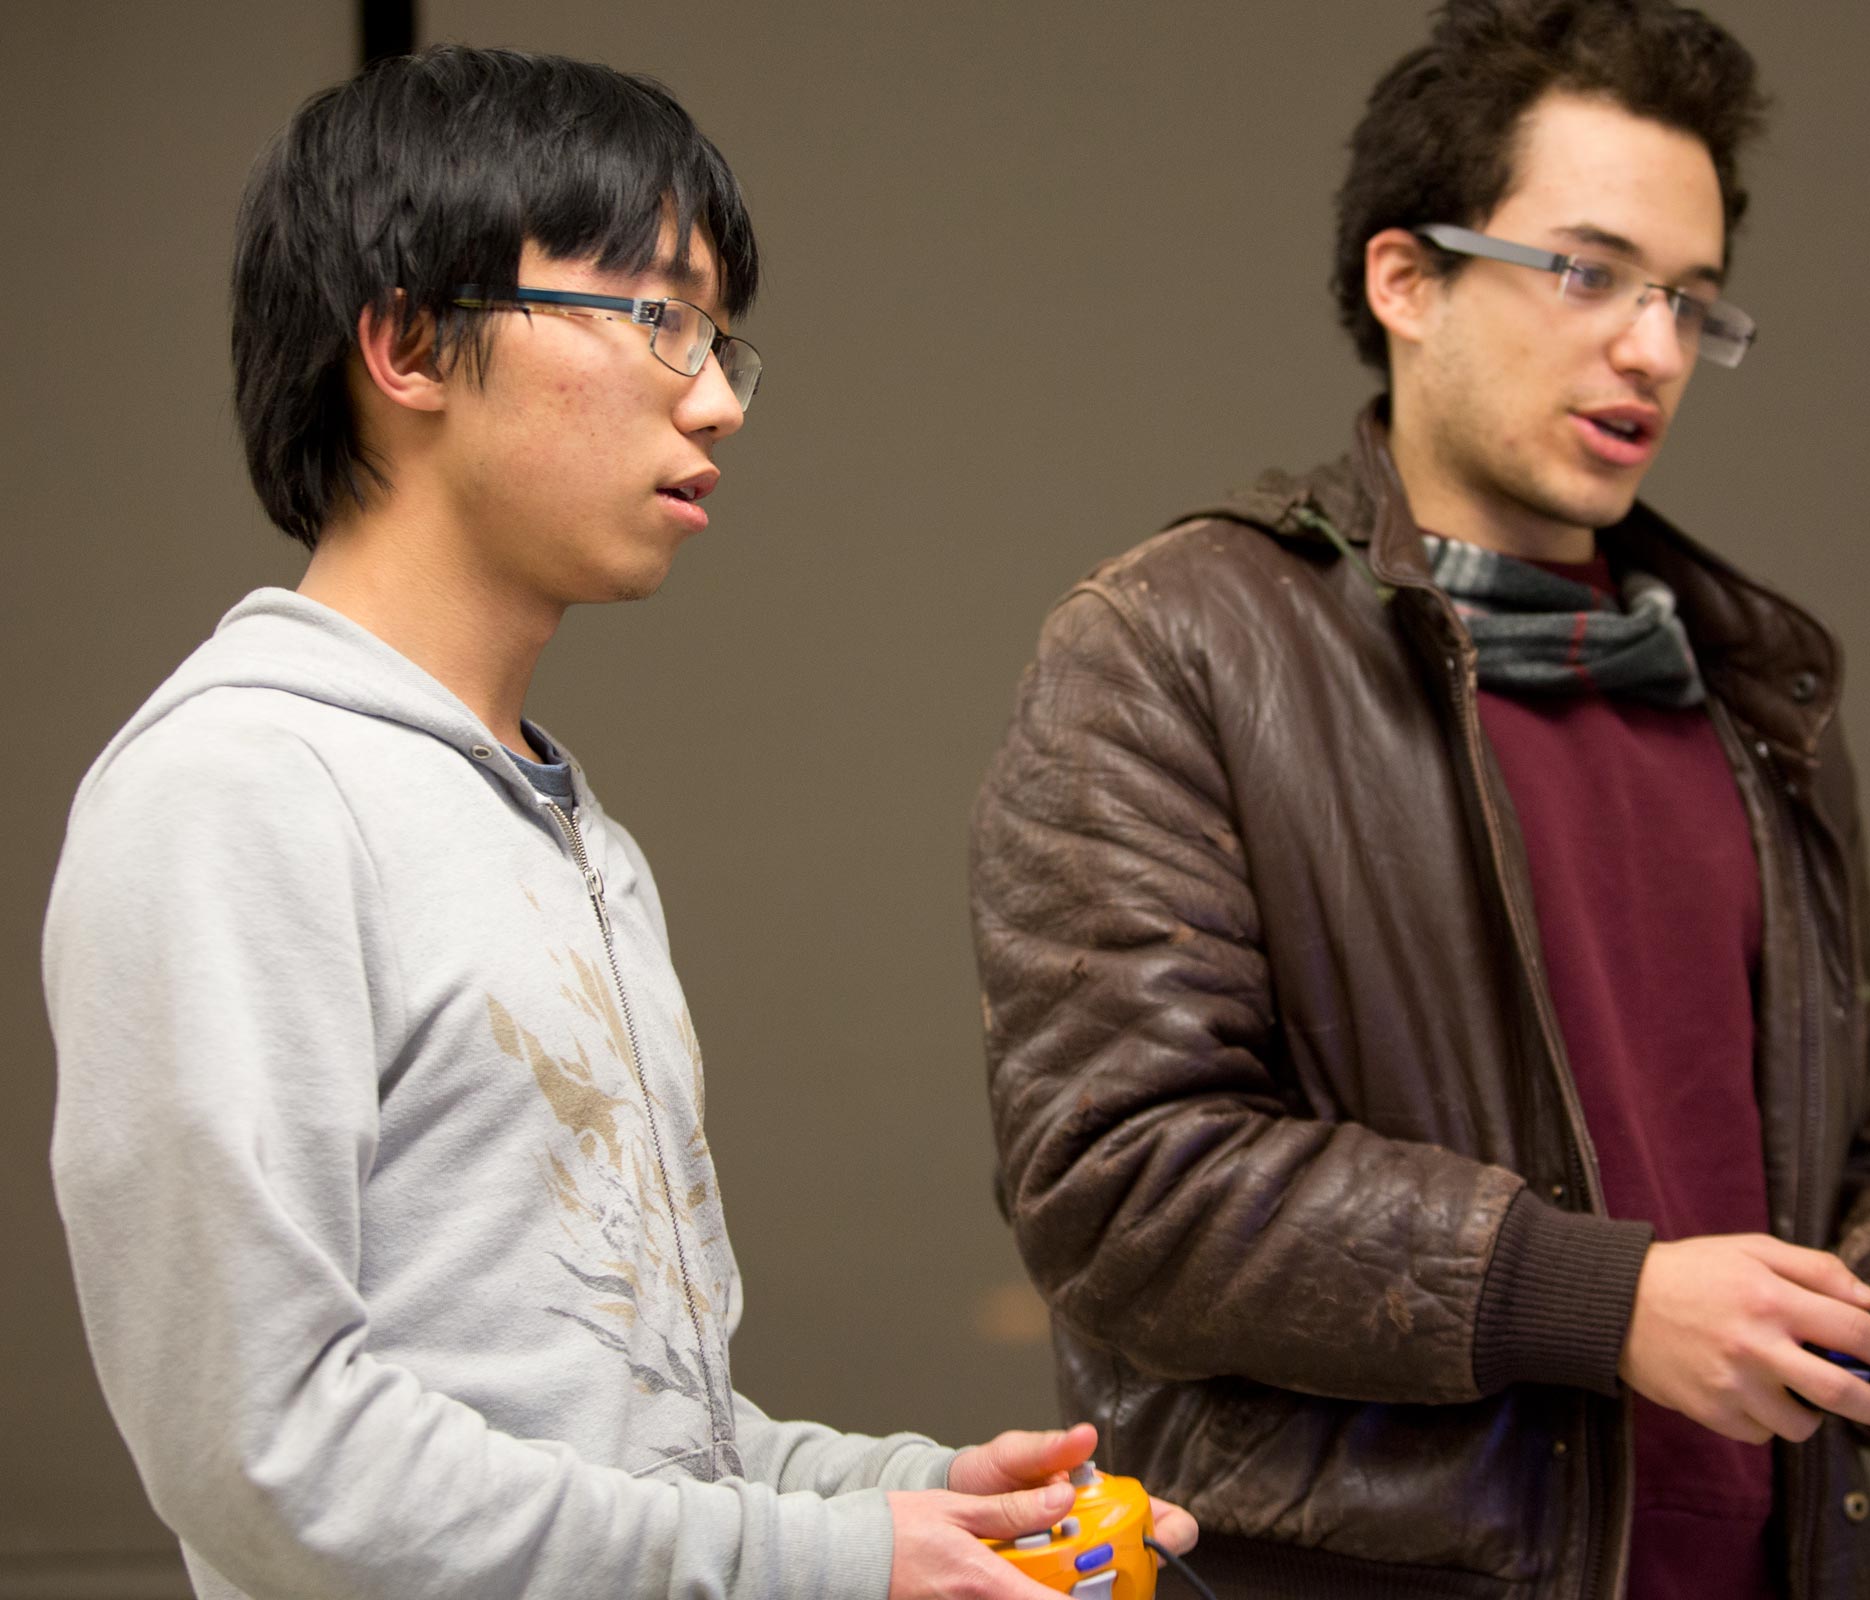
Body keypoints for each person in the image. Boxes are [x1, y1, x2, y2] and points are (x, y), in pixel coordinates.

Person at [44, 46, 1190, 1600]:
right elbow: (269, 1453)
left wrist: (905, 1499)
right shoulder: (236, 795)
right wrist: (824, 1559)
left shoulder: (571, 833)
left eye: (718, 340)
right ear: (406, 343)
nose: (715, 398)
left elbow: (631, 1444)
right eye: (657, 319)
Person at [966, 3, 1870, 1597]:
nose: (1653, 350)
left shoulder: (1753, 691)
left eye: (1689, 300)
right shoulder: (1171, 646)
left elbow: (1850, 1135)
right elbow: (1122, 1187)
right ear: (1406, 280)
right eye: (1588, 273)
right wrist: (1603, 1301)